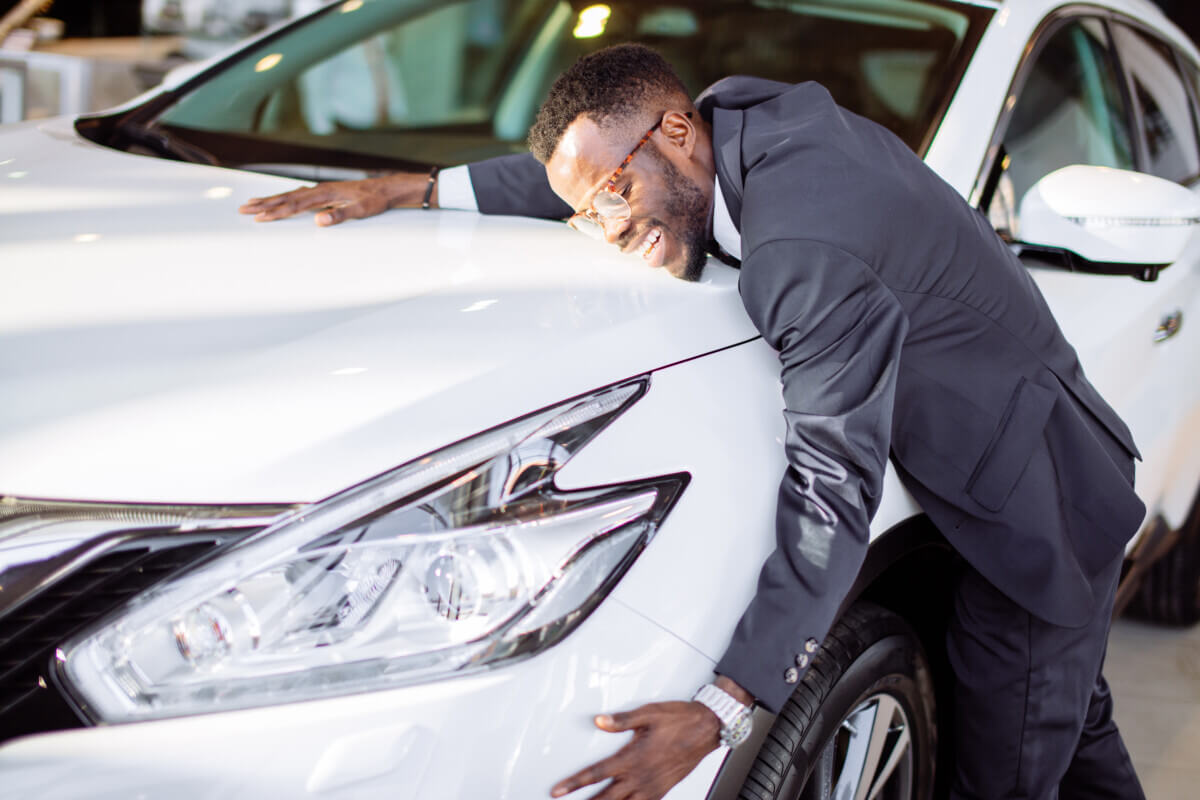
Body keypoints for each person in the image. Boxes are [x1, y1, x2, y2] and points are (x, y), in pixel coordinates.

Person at [240, 45, 1147, 800]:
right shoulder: (731, 127)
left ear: (677, 133)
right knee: (1075, 735)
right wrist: (423, 189)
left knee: (1005, 773)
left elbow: (832, 489)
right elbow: (591, 171)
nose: (604, 228)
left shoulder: (806, 250)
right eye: (587, 212)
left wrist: (725, 707)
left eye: (611, 201)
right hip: (1002, 468)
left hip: (1034, 518)